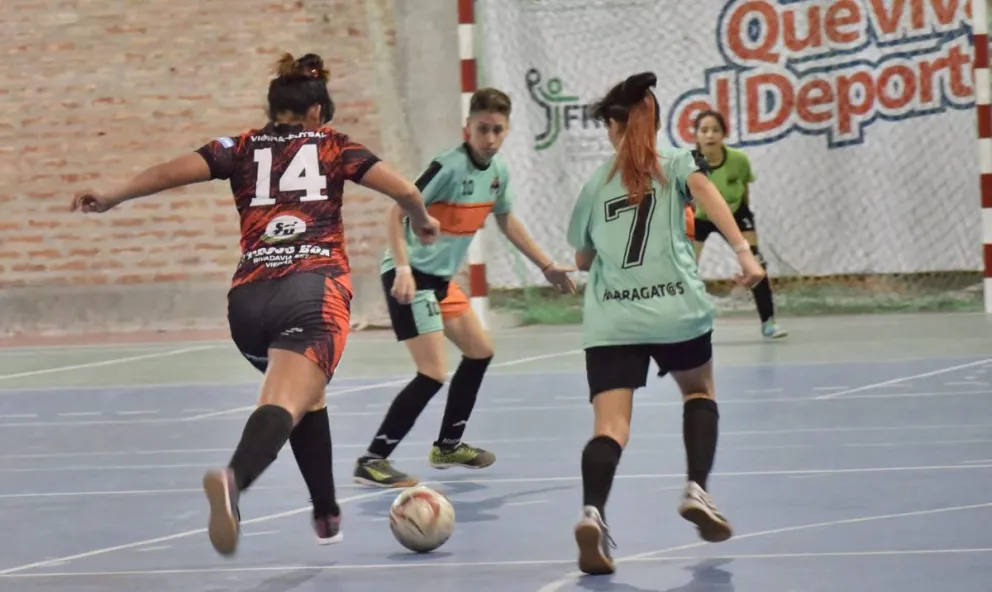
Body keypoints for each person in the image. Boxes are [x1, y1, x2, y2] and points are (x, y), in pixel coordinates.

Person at [69, 53, 440, 557]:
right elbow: (404, 189)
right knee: (286, 401)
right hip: (313, 290)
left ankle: (326, 510)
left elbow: (169, 172)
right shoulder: (334, 146)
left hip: (248, 299)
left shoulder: (240, 146)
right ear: (314, 112)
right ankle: (234, 478)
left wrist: (113, 195)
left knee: (308, 396)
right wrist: (419, 218)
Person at [564, 72, 766, 576]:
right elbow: (712, 198)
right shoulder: (677, 161)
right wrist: (745, 253)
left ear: (613, 128)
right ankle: (697, 487)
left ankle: (593, 512)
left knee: (610, 427)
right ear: (651, 122)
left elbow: (584, 259)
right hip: (676, 309)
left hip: (613, 318)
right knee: (699, 392)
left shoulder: (593, 187)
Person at [352, 87, 576, 488]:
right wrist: (402, 267)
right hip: (408, 276)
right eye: (482, 129)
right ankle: (373, 459)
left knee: (480, 351)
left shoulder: (498, 173)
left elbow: (506, 220)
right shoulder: (448, 167)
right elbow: (396, 210)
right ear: (467, 128)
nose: (490, 138)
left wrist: (545, 265)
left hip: (438, 281)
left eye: (498, 130)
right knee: (433, 372)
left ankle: (448, 445)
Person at [692, 110, 786, 339]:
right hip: (700, 217)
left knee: (756, 263)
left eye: (715, 130)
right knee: (684, 267)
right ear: (696, 135)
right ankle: (685, 325)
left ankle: (769, 322)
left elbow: (745, 192)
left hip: (734, 214)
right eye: (704, 130)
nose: (710, 135)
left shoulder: (738, 160)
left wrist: (745, 221)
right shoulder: (689, 163)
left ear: (724, 134)